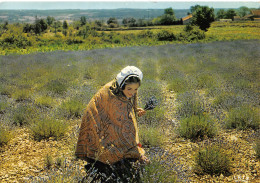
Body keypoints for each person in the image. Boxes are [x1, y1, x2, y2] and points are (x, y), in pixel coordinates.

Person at [75, 66, 149, 182]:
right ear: (122, 84)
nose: (132, 92)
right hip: (96, 124)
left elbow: (131, 101)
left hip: (105, 122)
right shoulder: (112, 96)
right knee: (116, 139)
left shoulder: (122, 89)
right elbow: (125, 129)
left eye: (135, 89)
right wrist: (138, 153)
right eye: (129, 89)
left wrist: (136, 109)